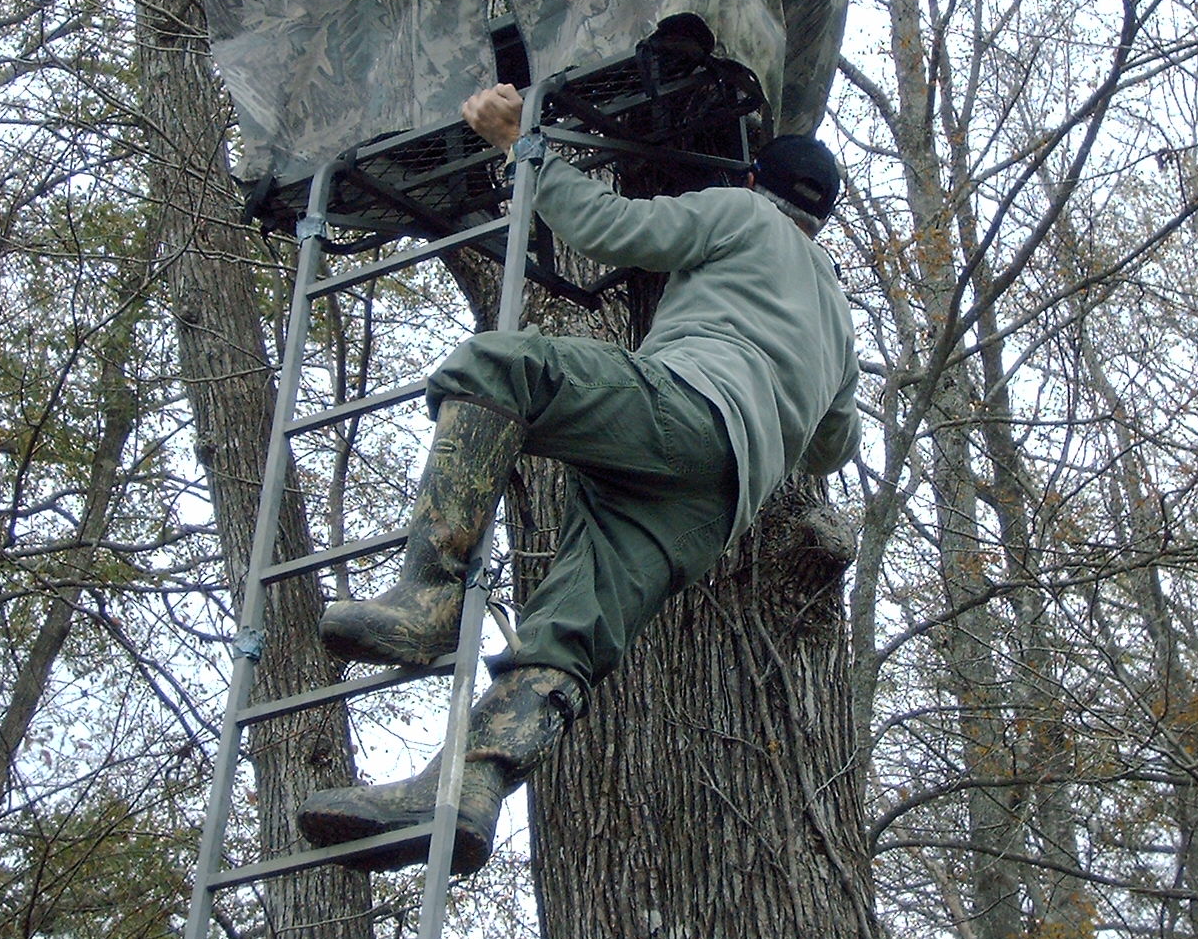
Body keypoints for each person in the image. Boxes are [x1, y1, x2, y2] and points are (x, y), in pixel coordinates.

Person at [298, 82, 859, 874]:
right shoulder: (839, 320)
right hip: (717, 501)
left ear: (754, 184)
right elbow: (833, 447)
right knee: (567, 636)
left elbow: (610, 226)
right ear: (822, 216)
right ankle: (463, 795)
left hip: (688, 408)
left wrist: (522, 145)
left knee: (501, 368)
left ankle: (427, 598)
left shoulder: (743, 216)